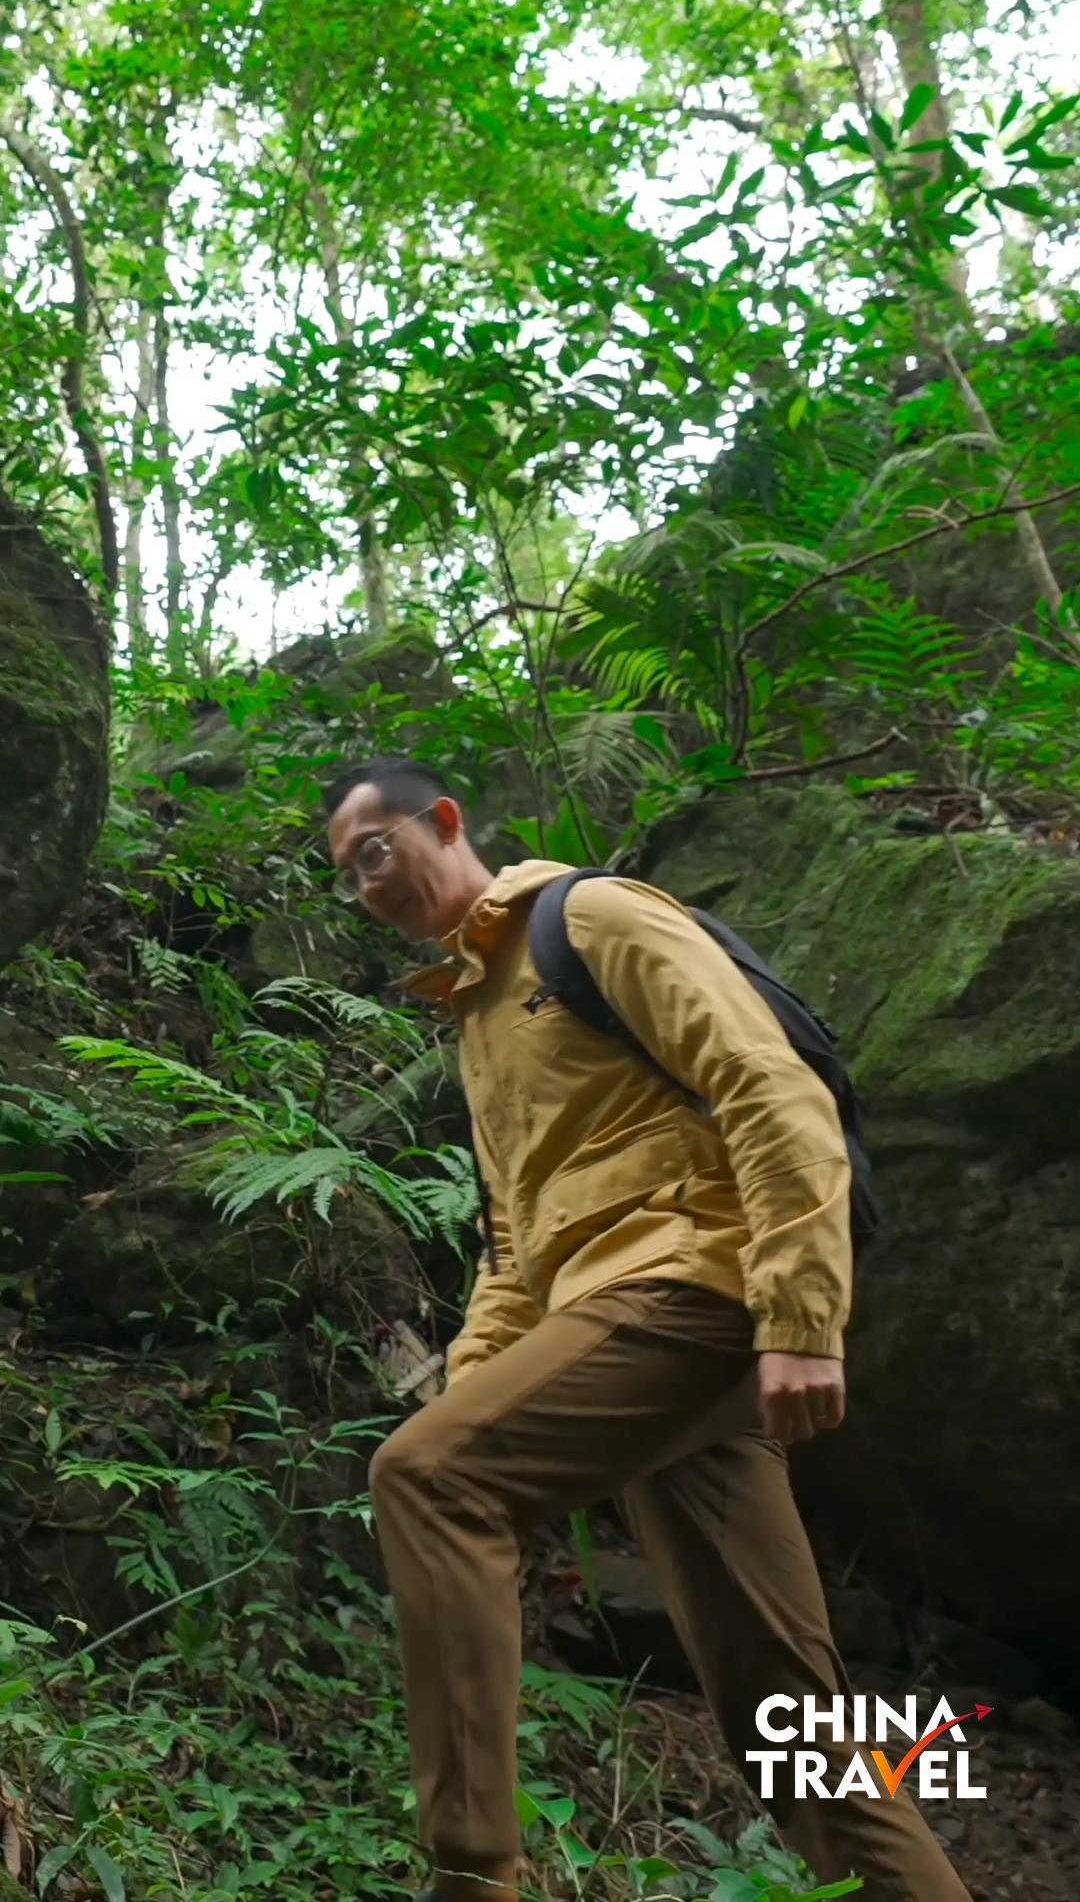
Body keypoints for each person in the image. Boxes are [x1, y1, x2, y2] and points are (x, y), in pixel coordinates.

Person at [326, 757, 973, 1902]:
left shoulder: (588, 916)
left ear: (445, 820)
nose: (368, 884)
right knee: (791, 1726)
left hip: (690, 1283)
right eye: (347, 874)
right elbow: (519, 1250)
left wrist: (801, 1316)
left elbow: (767, 1084)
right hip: (622, 1332)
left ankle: (470, 1875)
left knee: (426, 1478)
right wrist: (477, 1391)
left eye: (375, 849)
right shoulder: (476, 1021)